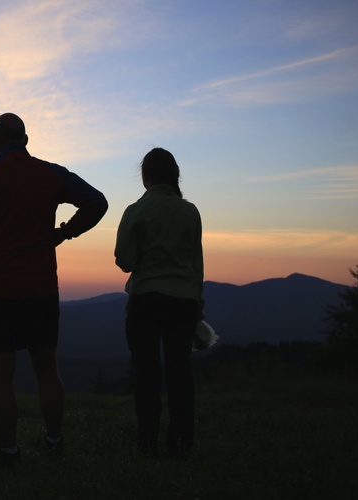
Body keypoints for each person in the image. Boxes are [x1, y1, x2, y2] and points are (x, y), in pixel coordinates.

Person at [0, 113, 108, 464]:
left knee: (0, 377)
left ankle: (9, 451)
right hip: (42, 288)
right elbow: (98, 202)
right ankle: (54, 441)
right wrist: (65, 232)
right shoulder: (51, 173)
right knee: (47, 370)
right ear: (26, 139)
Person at [114, 147, 204, 458]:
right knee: (180, 373)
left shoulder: (135, 211)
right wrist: (198, 304)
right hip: (183, 302)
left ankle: (148, 443)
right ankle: (180, 445)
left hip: (146, 301)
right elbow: (197, 264)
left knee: (147, 375)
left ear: (146, 177)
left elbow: (124, 261)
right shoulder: (190, 212)